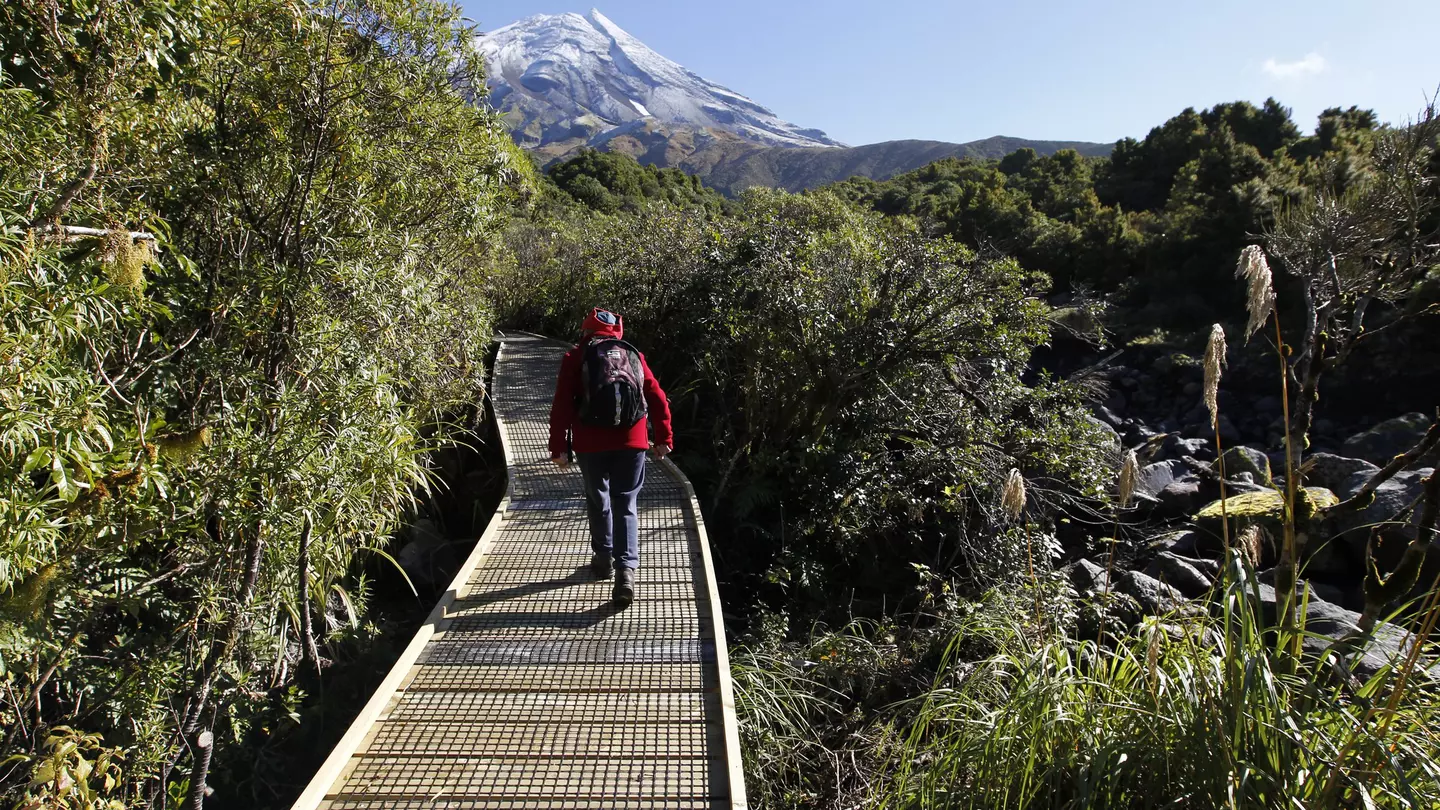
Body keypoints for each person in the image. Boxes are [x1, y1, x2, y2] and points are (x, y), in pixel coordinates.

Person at [548, 308, 673, 606]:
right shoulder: (634, 355)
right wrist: (665, 438)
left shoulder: (575, 357)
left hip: (590, 443)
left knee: (597, 496)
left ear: (586, 330)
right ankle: (626, 573)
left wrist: (558, 448)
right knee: (625, 502)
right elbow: (656, 396)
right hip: (633, 440)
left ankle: (603, 557)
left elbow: (562, 404)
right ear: (617, 330)